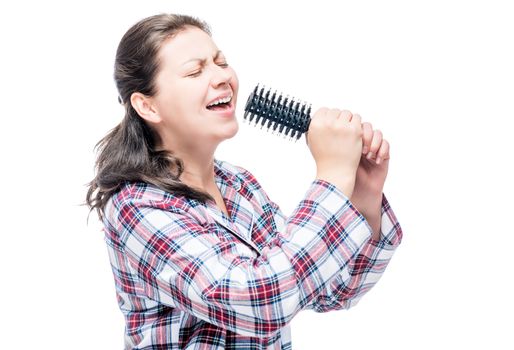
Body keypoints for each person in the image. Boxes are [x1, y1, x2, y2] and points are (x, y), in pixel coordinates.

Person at [86, 13, 402, 350]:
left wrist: (362, 194)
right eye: (195, 71)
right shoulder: (137, 207)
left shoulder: (239, 185)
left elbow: (328, 289)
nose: (221, 77)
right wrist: (332, 179)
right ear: (147, 105)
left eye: (220, 62)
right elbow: (263, 302)